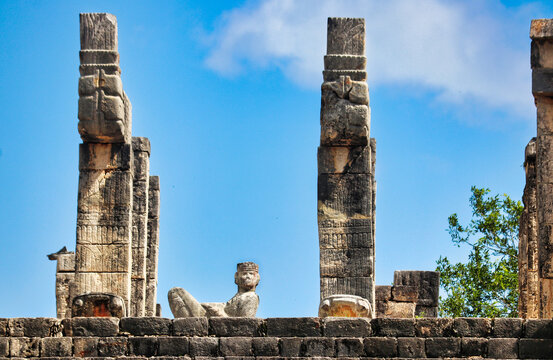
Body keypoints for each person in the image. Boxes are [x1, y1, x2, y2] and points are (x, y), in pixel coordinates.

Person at [168, 262, 260, 317]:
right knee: (176, 292)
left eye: (251, 274)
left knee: (176, 292)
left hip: (211, 318)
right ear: (237, 277)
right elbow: (225, 306)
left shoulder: (251, 297)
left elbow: (243, 326)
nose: (248, 277)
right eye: (244, 274)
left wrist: (217, 313)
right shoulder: (240, 296)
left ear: (257, 278)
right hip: (208, 316)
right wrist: (213, 306)